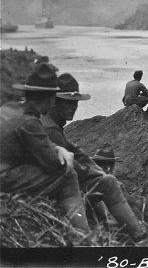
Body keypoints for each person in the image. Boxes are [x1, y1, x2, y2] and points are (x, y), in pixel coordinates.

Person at [43, 73, 146, 241]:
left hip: (54, 179)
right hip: (56, 184)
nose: (73, 107)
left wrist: (92, 166)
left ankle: (116, 228)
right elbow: (71, 165)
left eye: (75, 102)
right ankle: (140, 237)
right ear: (54, 102)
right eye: (68, 102)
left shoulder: (52, 124)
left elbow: (73, 151)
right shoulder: (51, 129)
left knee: (104, 181)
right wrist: (95, 174)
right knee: (110, 183)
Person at [0, 62, 90, 234]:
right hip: (4, 178)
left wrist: (57, 148)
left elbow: (36, 146)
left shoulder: (8, 108)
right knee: (68, 173)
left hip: (7, 169)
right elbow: (52, 162)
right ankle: (83, 234)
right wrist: (61, 152)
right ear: (49, 99)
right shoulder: (30, 123)